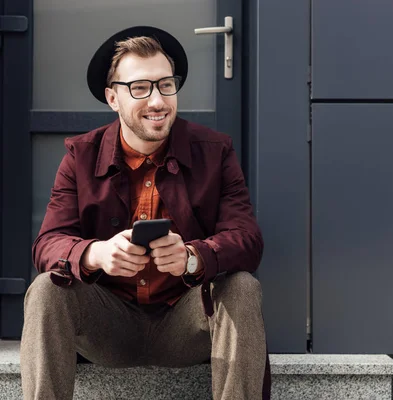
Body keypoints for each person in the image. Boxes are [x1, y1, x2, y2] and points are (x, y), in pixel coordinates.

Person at [20, 26, 271, 400]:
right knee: (45, 290)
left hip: (186, 326)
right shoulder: (80, 155)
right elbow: (47, 244)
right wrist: (95, 254)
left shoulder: (215, 151)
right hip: (108, 326)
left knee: (242, 288)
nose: (157, 100)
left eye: (166, 85)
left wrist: (192, 257)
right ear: (112, 98)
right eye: (140, 88)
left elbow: (247, 240)